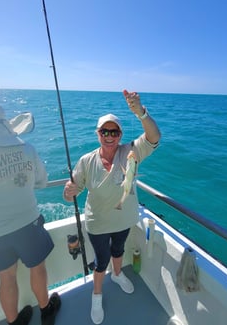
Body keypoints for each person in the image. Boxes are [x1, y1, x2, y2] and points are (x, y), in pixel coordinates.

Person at [63, 90, 161, 324]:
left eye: (114, 132)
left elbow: (154, 137)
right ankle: (97, 295)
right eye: (104, 131)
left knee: (119, 250)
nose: (109, 136)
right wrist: (68, 192)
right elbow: (73, 190)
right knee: (101, 260)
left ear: (120, 135)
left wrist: (141, 113)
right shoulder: (87, 161)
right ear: (98, 134)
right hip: (97, 223)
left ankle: (117, 275)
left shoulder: (130, 152)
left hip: (124, 218)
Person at [0, 106, 61, 325]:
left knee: (6, 277)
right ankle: (46, 311)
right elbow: (42, 182)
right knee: (38, 267)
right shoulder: (28, 149)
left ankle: (14, 322)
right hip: (28, 223)